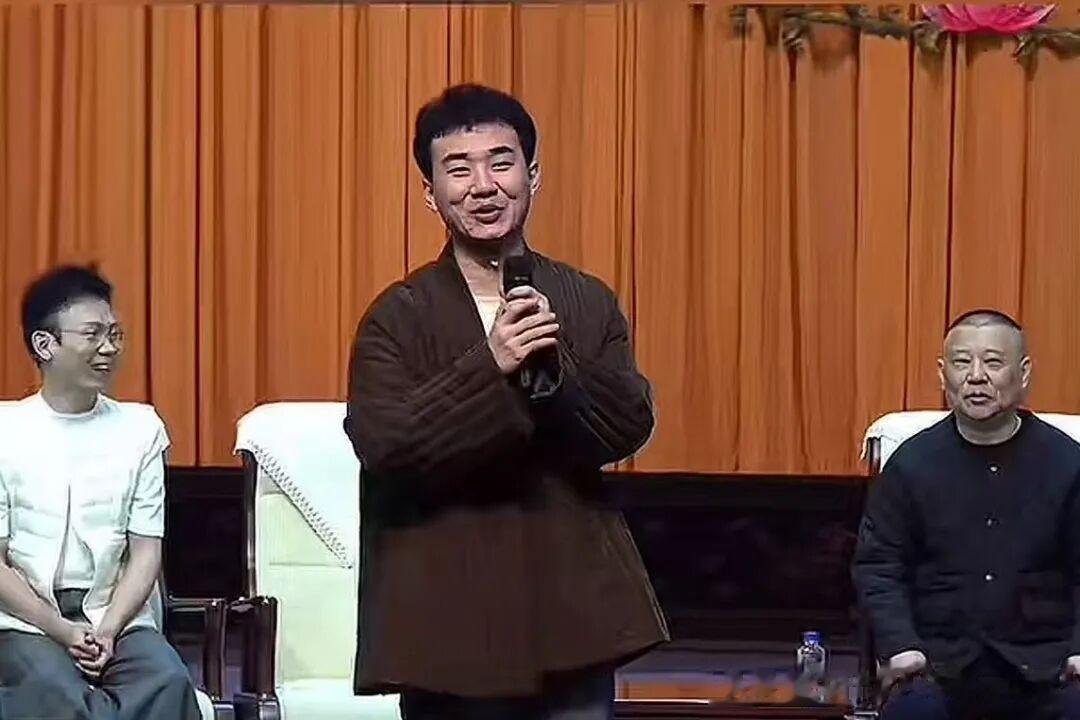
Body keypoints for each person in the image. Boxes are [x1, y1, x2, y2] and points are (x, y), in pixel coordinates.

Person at [344, 83, 668, 719]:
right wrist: (489, 365)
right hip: (449, 618)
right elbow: (386, 445)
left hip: (571, 612)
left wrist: (555, 359)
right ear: (430, 193)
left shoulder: (585, 299)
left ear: (532, 175)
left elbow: (628, 425)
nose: (483, 187)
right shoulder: (397, 317)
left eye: (501, 163)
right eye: (459, 170)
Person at [853, 309, 1080, 719]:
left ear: (1023, 373)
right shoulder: (911, 464)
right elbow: (879, 566)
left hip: (1047, 668)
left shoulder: (1068, 463)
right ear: (943, 375)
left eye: (993, 362)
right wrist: (901, 645)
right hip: (937, 666)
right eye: (962, 362)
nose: (976, 377)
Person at [0, 266, 200, 720]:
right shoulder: (6, 430)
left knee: (167, 680)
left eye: (115, 334)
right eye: (92, 335)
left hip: (117, 616)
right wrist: (60, 629)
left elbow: (145, 553)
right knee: (55, 693)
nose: (109, 348)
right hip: (25, 619)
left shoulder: (141, 429)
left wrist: (108, 630)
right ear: (45, 345)